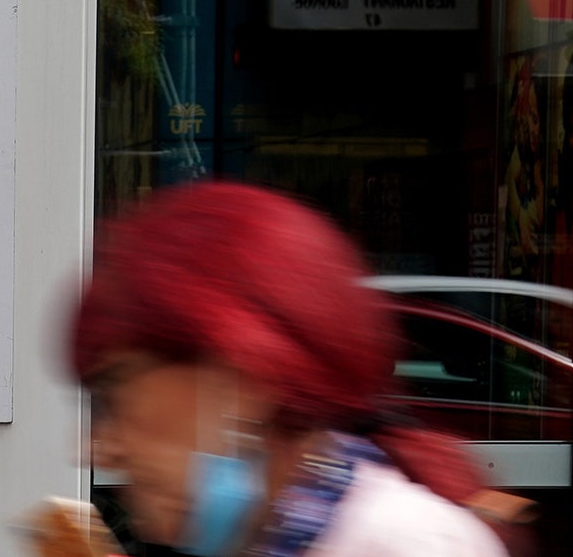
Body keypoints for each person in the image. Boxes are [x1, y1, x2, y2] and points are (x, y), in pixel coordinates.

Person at [69, 181, 526, 556]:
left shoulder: (411, 545)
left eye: (117, 388)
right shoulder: (271, 536)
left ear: (239, 379)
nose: (98, 449)